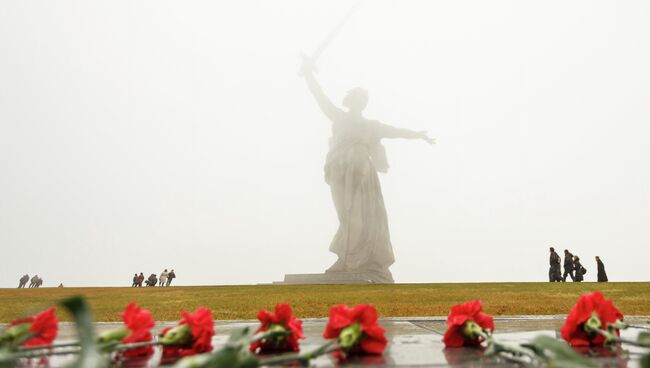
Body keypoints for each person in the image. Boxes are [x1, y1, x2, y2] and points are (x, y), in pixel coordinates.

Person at [300, 56, 435, 283]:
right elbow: (320, 97)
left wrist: (418, 135)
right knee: (345, 214)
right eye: (357, 98)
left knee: (359, 214)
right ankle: (347, 257)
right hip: (338, 168)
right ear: (350, 101)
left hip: (360, 168)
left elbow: (396, 131)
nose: (360, 102)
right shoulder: (339, 117)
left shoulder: (370, 126)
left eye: (363, 99)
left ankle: (353, 260)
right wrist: (308, 75)